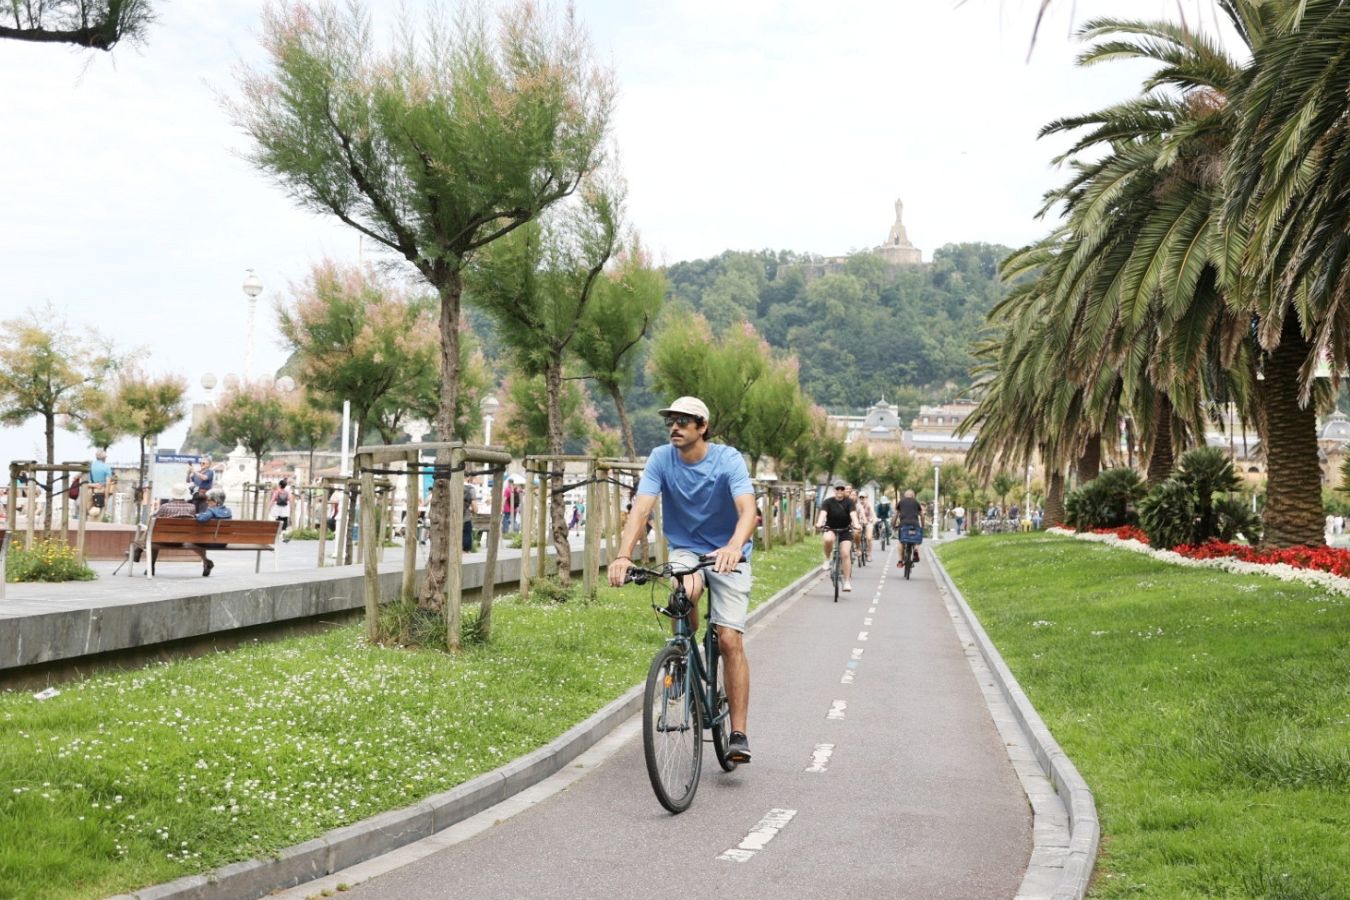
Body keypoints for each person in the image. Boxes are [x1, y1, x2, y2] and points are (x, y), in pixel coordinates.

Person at [608, 396, 757, 764]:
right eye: (670, 421)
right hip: (686, 550)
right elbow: (641, 509)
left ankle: (738, 733)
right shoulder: (661, 458)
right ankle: (683, 655)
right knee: (683, 591)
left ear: (702, 426)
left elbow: (748, 511)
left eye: (684, 421)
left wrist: (734, 546)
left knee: (728, 638)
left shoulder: (728, 459)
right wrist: (623, 554)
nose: (675, 427)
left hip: (728, 553)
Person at [132, 483, 205, 575]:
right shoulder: (192, 507)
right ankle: (139, 551)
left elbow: (152, 520)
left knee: (153, 534)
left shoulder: (165, 507)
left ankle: (142, 554)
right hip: (182, 540)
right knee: (155, 536)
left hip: (164, 540)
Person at [815, 480, 860, 591]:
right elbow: (823, 514)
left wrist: (857, 524)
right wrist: (819, 523)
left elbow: (853, 515)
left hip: (845, 530)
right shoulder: (828, 502)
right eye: (837, 489)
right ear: (834, 490)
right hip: (831, 528)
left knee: (845, 554)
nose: (839, 491)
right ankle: (827, 559)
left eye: (842, 489)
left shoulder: (849, 502)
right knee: (828, 539)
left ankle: (847, 582)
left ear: (845, 490)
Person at [195, 488, 233, 576]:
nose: (207, 502)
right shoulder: (229, 511)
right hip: (223, 542)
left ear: (215, 501)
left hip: (211, 542)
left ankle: (206, 560)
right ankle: (206, 562)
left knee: (193, 540)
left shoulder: (211, 511)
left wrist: (197, 515)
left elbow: (201, 519)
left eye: (209, 500)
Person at [895, 488, 925, 566]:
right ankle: (915, 549)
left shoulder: (901, 502)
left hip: (904, 524)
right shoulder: (916, 503)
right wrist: (923, 526)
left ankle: (901, 561)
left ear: (905, 496)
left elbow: (896, 515)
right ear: (913, 496)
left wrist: (893, 524)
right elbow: (922, 516)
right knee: (917, 539)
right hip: (915, 524)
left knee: (901, 541)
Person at [85, 449, 113, 521]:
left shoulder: (90, 466)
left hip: (89, 490)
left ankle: (87, 528)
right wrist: (106, 498)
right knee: (98, 515)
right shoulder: (106, 467)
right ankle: (93, 529)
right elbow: (108, 483)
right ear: (104, 458)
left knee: (89, 512)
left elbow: (83, 481)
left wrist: (92, 485)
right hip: (100, 491)